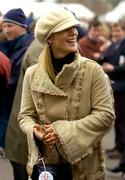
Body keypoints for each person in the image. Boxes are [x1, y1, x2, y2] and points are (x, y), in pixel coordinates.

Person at [18, 8, 115, 180]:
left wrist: (61, 131)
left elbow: (106, 115)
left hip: (84, 166)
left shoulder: (93, 71)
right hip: (46, 165)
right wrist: (36, 131)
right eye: (65, 29)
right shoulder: (32, 74)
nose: (74, 33)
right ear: (49, 38)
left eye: (74, 27)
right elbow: (25, 116)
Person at [0, 8, 34, 179]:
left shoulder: (27, 48)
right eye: (4, 26)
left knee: (18, 158)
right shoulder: (14, 46)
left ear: (22, 26)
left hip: (19, 110)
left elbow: (13, 83)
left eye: (10, 25)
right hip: (12, 108)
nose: (6, 30)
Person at [5, 38, 43, 180]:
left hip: (25, 118)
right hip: (30, 121)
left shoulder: (38, 46)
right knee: (26, 165)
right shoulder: (38, 51)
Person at [101, 22, 125, 174]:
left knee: (123, 123)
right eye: (114, 30)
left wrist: (114, 68)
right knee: (119, 122)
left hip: (122, 88)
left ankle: (122, 156)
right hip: (116, 87)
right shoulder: (114, 44)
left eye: (118, 30)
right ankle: (121, 153)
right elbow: (107, 57)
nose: (115, 33)